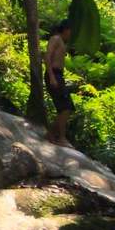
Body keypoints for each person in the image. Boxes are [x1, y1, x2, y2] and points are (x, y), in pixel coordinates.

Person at [44, 19, 75, 148]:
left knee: (67, 107)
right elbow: (47, 57)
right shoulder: (55, 39)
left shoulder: (62, 42)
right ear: (66, 29)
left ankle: (51, 133)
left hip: (59, 75)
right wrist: (51, 77)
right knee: (65, 107)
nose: (71, 34)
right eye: (71, 31)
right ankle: (61, 138)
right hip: (54, 74)